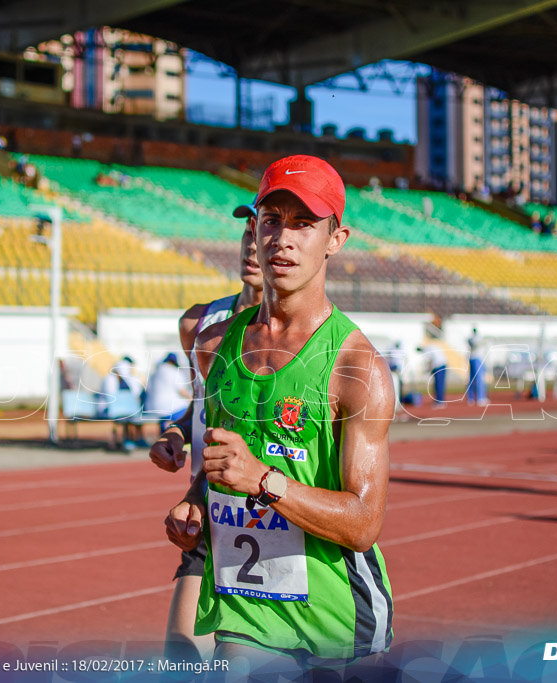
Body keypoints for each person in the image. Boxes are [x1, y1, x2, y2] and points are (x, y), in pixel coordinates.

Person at [165, 155, 395, 676]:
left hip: (336, 624)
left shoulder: (358, 367)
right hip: (244, 614)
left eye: (304, 224)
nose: (282, 239)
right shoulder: (212, 344)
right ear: (254, 229)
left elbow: (364, 524)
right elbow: (223, 463)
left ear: (336, 239)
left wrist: (263, 481)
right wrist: (194, 502)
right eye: (271, 221)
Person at [149, 202, 264, 662]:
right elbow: (202, 405)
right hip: (211, 515)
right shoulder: (198, 324)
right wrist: (176, 434)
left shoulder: (310, 335)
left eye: (265, 235)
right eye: (247, 235)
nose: (253, 247)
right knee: (181, 660)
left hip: (280, 517)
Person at [98, 356, 144, 450]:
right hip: (108, 409)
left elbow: (135, 393)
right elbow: (111, 399)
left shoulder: (128, 380)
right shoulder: (109, 379)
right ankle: (123, 440)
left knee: (133, 415)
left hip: (125, 410)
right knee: (126, 416)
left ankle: (134, 439)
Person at [144, 352, 192, 433]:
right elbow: (182, 391)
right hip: (170, 409)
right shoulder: (174, 371)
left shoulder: (154, 372)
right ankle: (177, 432)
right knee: (190, 411)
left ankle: (166, 429)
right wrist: (193, 399)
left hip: (151, 408)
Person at [466, 327, 488, 405]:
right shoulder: (475, 339)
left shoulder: (472, 338)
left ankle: (471, 398)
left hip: (473, 358)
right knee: (479, 379)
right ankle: (480, 398)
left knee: (473, 379)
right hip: (477, 358)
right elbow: (475, 345)